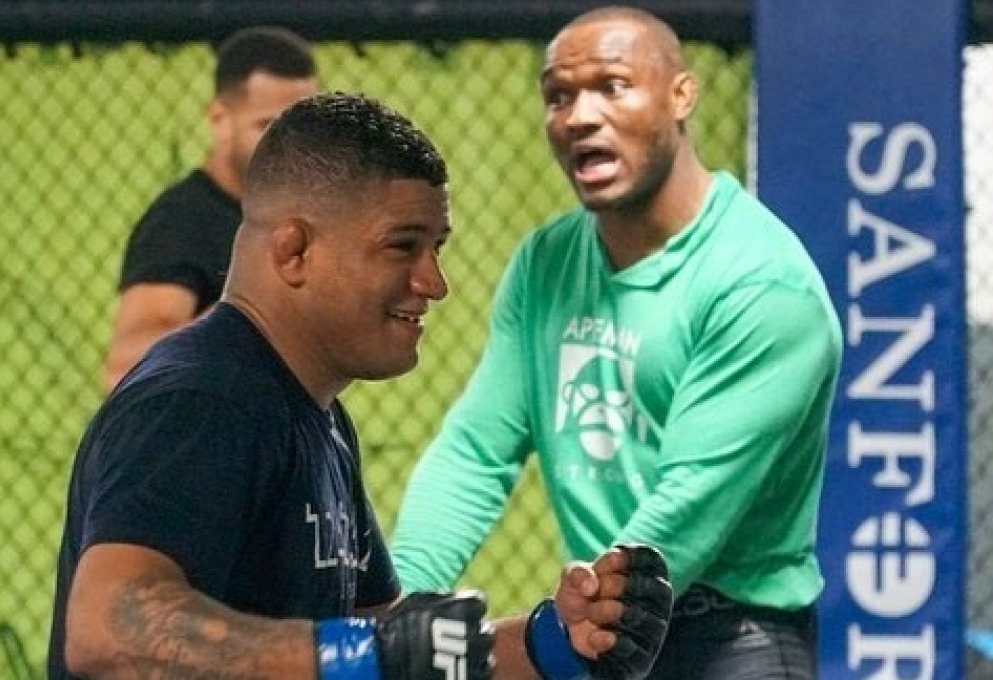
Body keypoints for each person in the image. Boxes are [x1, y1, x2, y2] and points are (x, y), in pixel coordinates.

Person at [48, 92, 673, 680]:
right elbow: (106, 628)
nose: (435, 282)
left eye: (437, 248)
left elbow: (391, 644)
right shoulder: (203, 399)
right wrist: (354, 657)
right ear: (294, 252)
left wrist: (556, 641)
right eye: (404, 246)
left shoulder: (313, 413)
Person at [392, 6, 843, 680]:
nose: (579, 115)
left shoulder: (762, 285)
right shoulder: (546, 262)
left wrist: (566, 628)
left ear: (682, 95)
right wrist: (396, 605)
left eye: (612, 85)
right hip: (604, 628)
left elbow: (687, 504)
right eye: (558, 95)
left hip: (729, 643)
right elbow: (476, 451)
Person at [103, 26, 318, 392]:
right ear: (220, 120)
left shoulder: (287, 215)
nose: (288, 145)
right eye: (267, 126)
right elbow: (123, 367)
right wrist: (246, 310)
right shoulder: (182, 222)